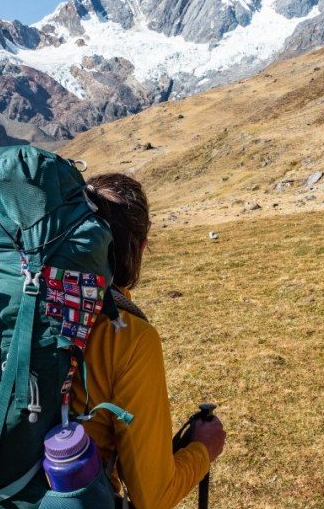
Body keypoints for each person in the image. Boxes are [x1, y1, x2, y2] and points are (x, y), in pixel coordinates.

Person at [74, 172, 226, 508]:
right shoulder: (129, 337)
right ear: (141, 245)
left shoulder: (26, 310)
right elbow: (152, 496)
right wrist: (203, 449)